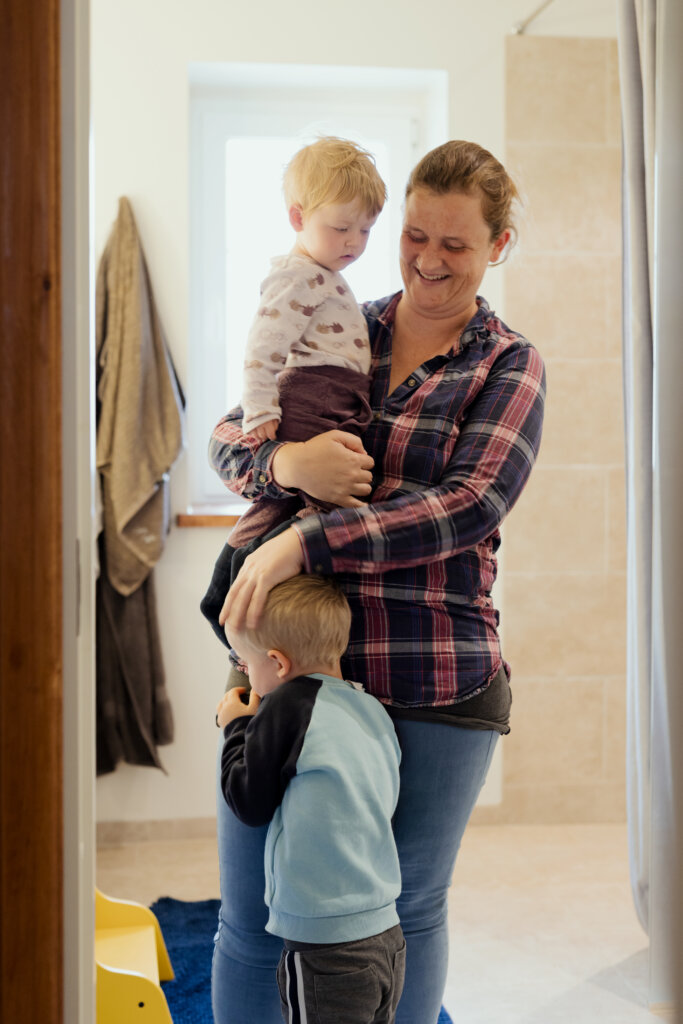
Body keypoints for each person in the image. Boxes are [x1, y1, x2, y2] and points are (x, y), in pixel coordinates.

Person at [207, 139, 546, 1023]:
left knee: (407, 910)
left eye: (458, 245)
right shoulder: (337, 316)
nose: (429, 259)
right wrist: (287, 463)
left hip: (432, 672)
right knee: (252, 917)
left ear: (498, 246)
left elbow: (468, 506)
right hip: (291, 667)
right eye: (414, 235)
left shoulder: (506, 365)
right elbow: (225, 441)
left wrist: (303, 543)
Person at [200, 136, 386, 647]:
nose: (354, 240)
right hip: (314, 398)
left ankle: (239, 601)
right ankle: (231, 602)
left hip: (334, 398)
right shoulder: (299, 275)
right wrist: (260, 407)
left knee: (289, 513)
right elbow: (263, 344)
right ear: (298, 218)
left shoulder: (325, 276)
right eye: (341, 227)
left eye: (366, 230)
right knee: (280, 517)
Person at [215, 573, 405, 1023]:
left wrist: (235, 726)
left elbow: (248, 801)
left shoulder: (289, 705)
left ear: (277, 664)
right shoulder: (372, 709)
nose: (247, 673)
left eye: (245, 663)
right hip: (386, 934)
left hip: (325, 946)